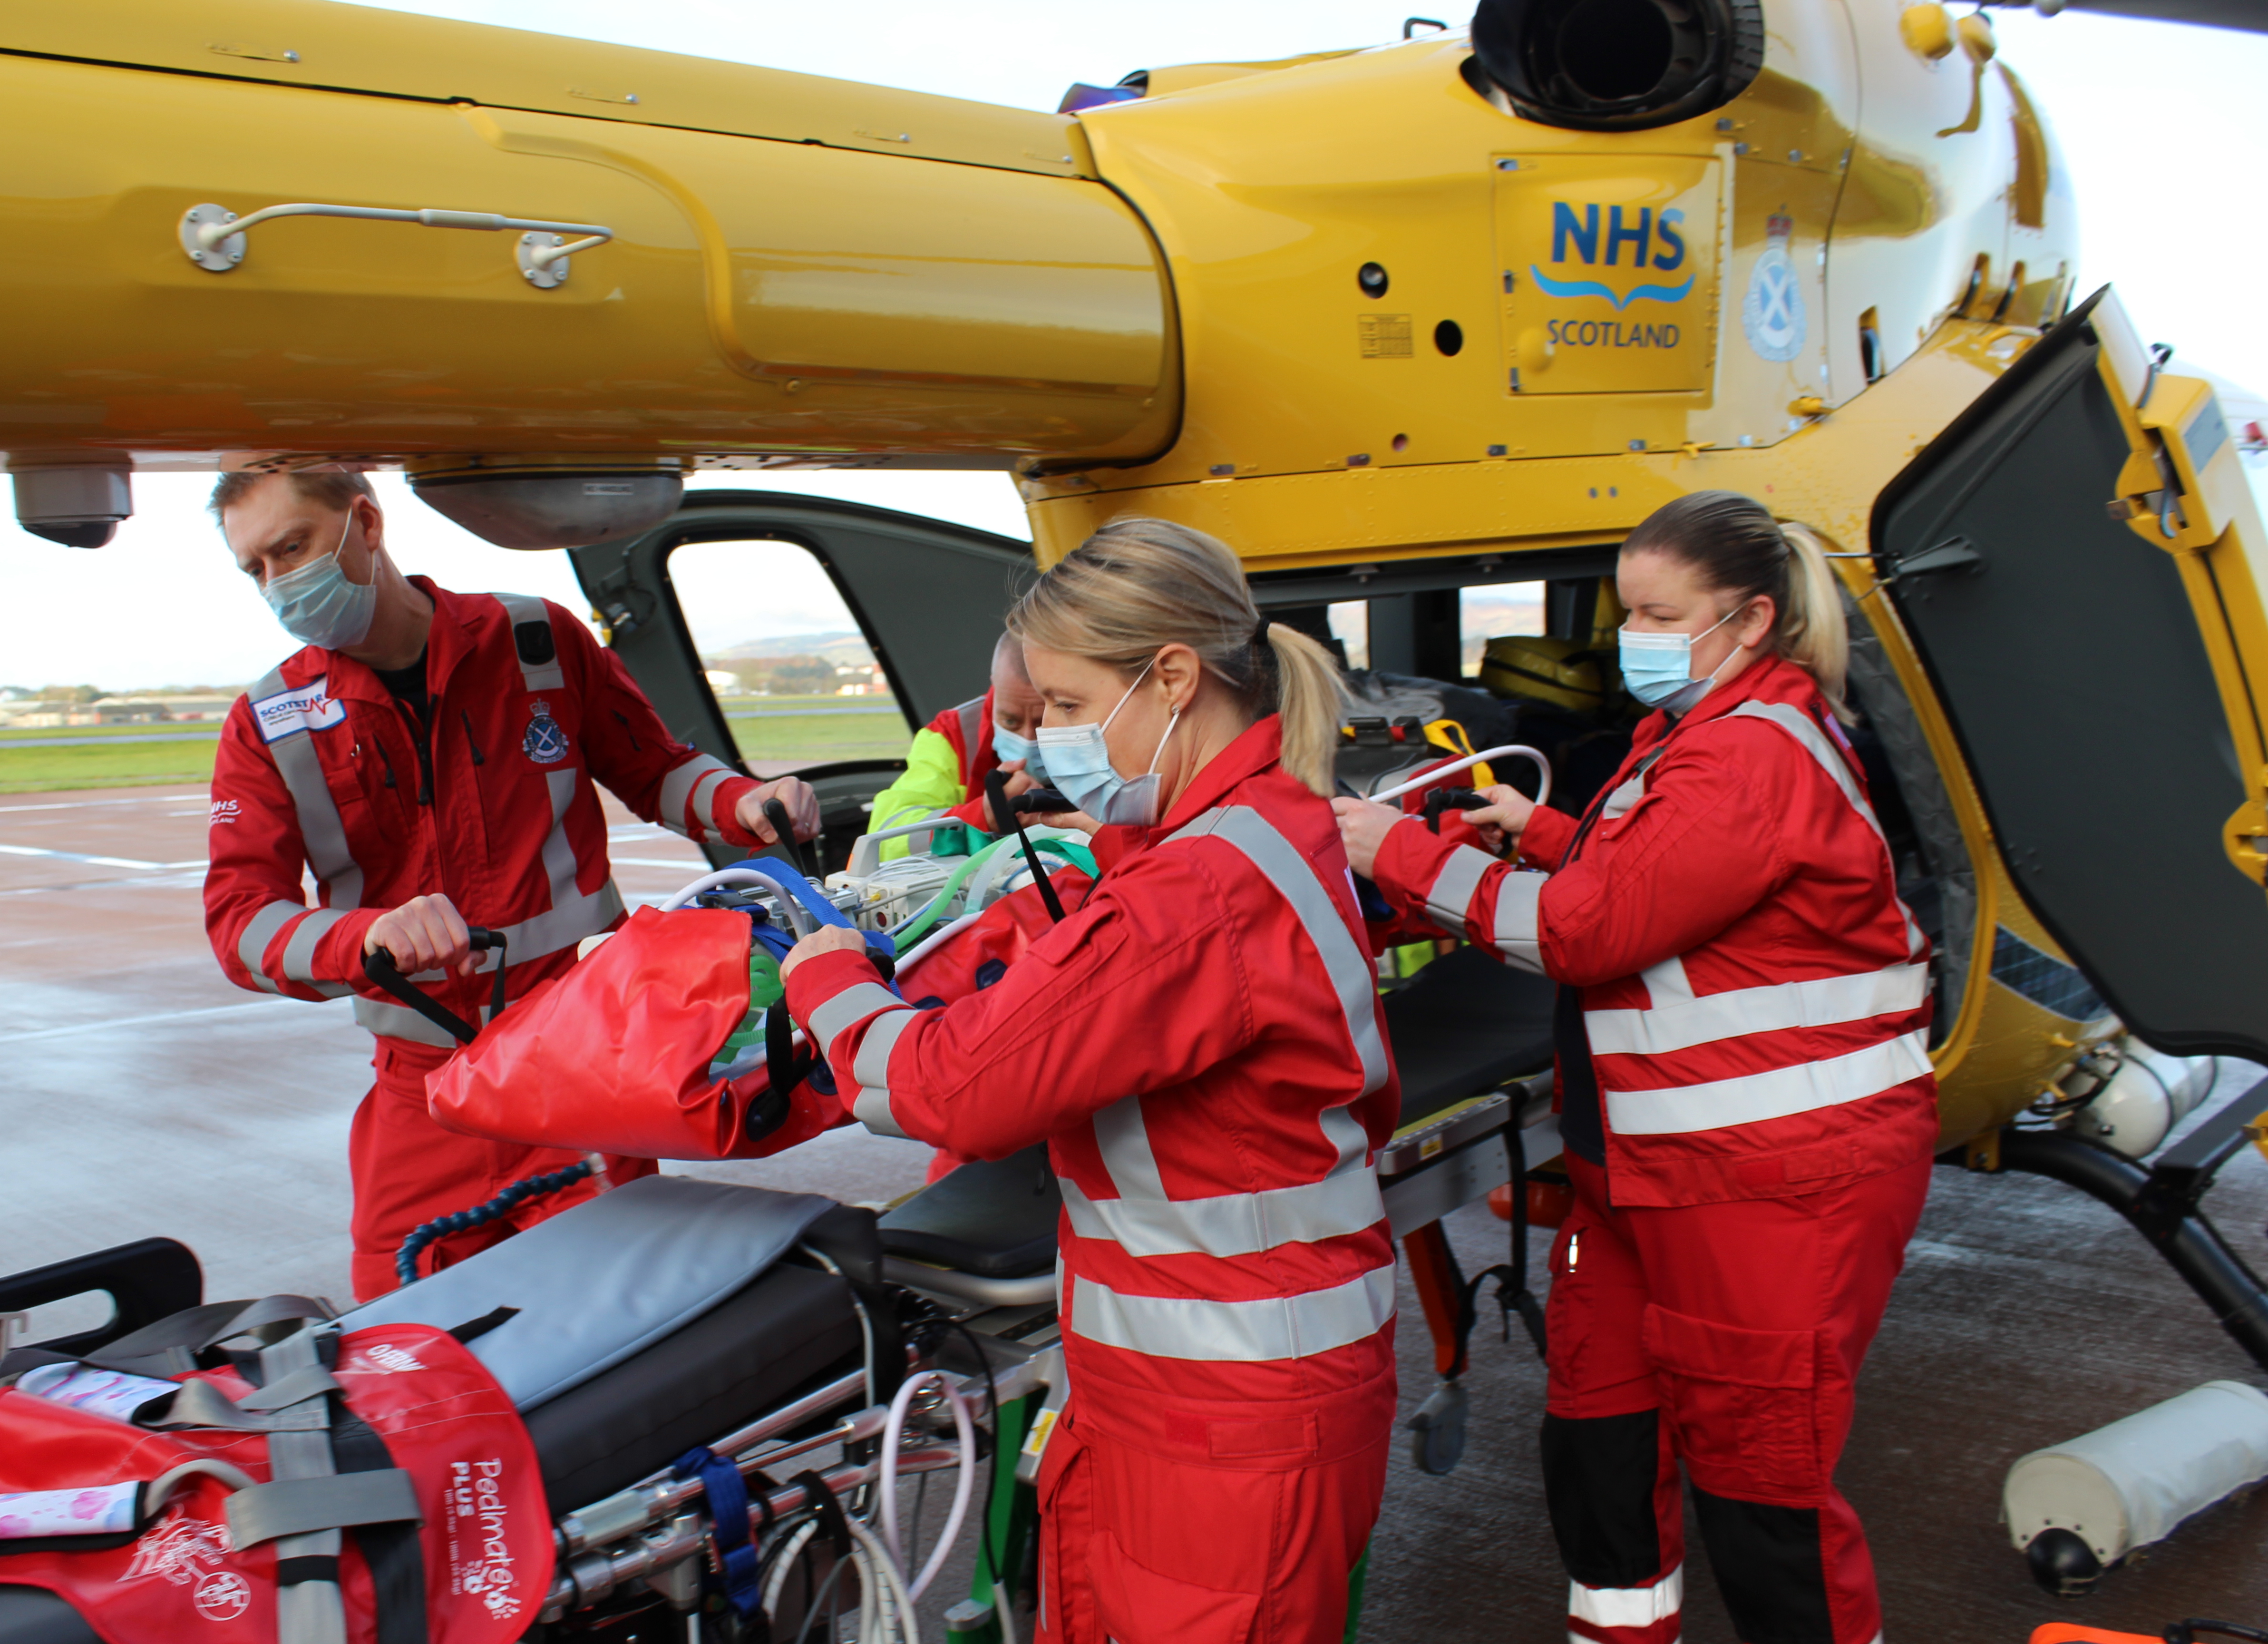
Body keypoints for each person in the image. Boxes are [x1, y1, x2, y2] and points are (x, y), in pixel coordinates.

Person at [779, 519, 1398, 1643]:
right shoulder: (1258, 829)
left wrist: (822, 973)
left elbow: (947, 1088)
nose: (1039, 745)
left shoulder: (1195, 893)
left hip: (1223, 1413)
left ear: (1169, 677)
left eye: (1063, 707)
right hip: (1198, 1389)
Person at [1334, 491, 1935, 1644]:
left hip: (1766, 1188)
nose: (1633, 637)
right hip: (1629, 1177)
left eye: (1660, 614)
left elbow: (1591, 932)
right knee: (1597, 1440)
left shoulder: (1751, 752)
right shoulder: (1703, 727)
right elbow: (1661, 872)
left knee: (1764, 1490)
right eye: (1628, 612)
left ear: (1749, 619)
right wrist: (1540, 831)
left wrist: (1396, 851)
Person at [201, 469, 818, 1300]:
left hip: (573, 1060)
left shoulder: (537, 641)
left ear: (366, 523)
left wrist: (745, 802)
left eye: (292, 548)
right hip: (420, 1087)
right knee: (401, 1335)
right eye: (256, 569)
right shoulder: (268, 719)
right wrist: (365, 937)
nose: (280, 583)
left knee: (611, 1322)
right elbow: (240, 923)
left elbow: (658, 771)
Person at [864, 633, 1048, 855]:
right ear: (995, 683)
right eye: (1010, 721)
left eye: (1043, 723)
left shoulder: (1100, 728)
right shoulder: (954, 734)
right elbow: (886, 835)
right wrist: (984, 816)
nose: (1027, 739)